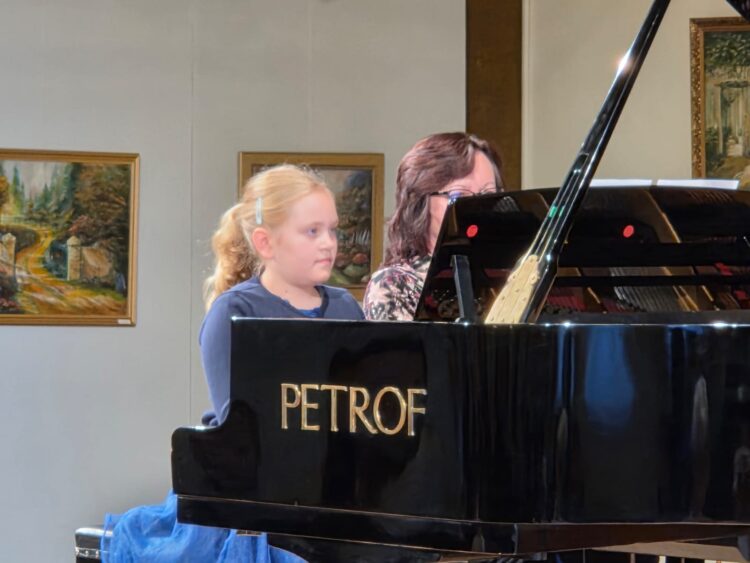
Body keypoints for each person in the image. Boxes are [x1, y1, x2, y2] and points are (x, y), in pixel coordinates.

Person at [102, 164, 364, 562]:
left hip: (333, 494)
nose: (329, 243)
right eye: (312, 231)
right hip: (246, 495)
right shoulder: (235, 312)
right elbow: (241, 429)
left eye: (333, 230)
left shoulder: (346, 308)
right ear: (265, 242)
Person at [363, 132, 504, 321]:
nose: (479, 206)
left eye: (488, 194)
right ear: (421, 201)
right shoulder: (394, 285)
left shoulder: (507, 278)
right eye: (459, 195)